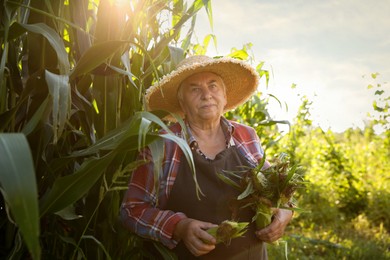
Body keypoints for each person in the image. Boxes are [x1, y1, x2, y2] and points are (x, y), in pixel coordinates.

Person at [120, 55, 293, 259]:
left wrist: (285, 211)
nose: (206, 95)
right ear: (181, 102)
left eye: (213, 86)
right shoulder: (162, 144)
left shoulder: (246, 136)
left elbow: (275, 189)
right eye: (195, 89)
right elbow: (132, 210)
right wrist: (180, 227)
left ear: (225, 97)